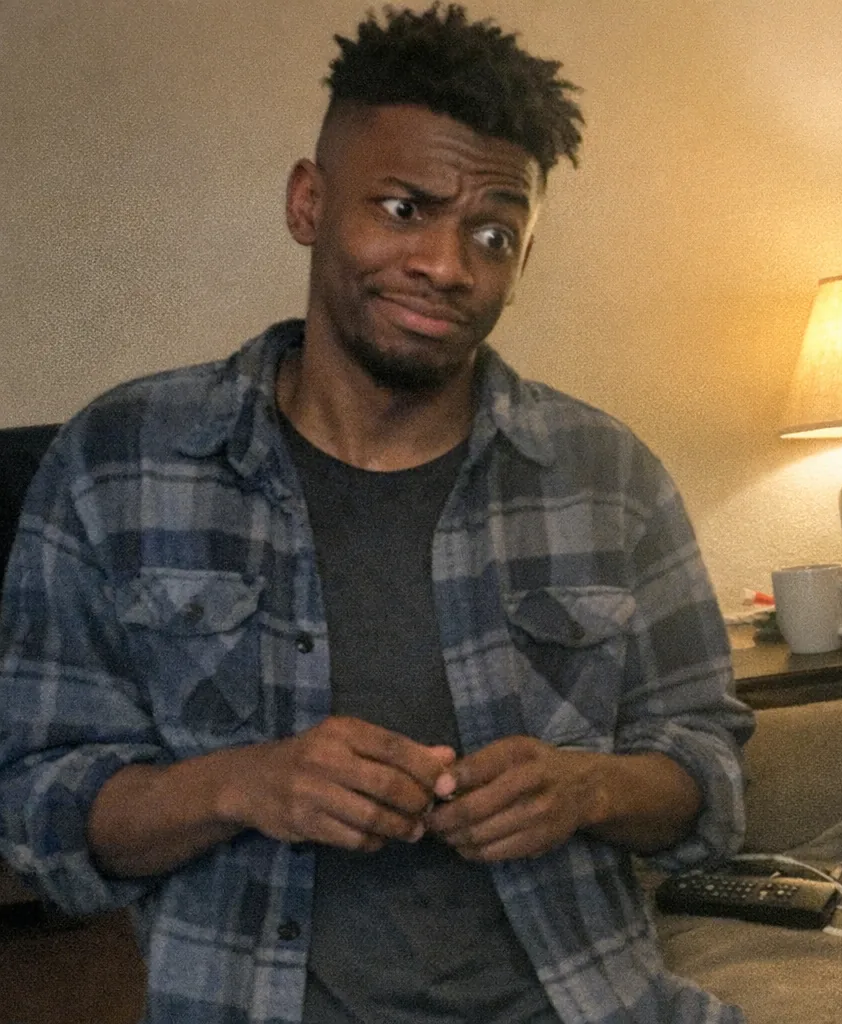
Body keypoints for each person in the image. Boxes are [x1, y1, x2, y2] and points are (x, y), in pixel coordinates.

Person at [0, 6, 753, 1023]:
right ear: (309, 202)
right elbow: (39, 807)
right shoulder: (118, 465)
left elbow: (708, 773)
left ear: (521, 260)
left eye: (492, 233)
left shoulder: (609, 477)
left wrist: (589, 788)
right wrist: (245, 784)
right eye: (404, 208)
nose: (447, 264)